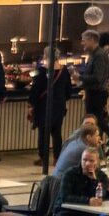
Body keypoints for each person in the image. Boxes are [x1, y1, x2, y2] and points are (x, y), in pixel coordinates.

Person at [29, 45, 76, 174]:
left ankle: (43, 158)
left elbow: (35, 90)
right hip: (59, 105)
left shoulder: (42, 71)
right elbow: (68, 89)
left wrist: (31, 104)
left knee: (43, 132)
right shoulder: (64, 70)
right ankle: (57, 158)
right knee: (57, 133)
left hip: (44, 105)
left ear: (45, 55)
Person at [78, 30, 109, 154]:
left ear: (91, 40)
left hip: (97, 94)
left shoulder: (99, 55)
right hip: (93, 93)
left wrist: (80, 78)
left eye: (84, 40)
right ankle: (99, 146)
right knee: (97, 120)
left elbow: (98, 78)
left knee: (97, 120)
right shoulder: (94, 55)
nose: (82, 43)